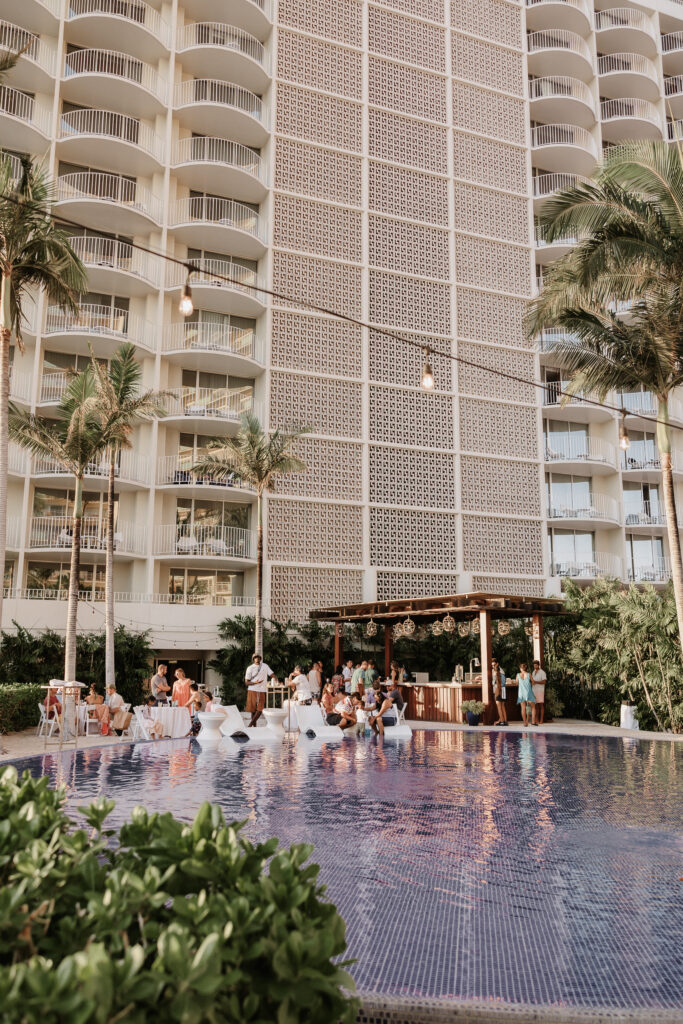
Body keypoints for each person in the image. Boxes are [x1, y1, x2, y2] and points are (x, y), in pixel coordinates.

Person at [244, 653, 275, 727]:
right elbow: (246, 682)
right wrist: (255, 682)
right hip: (252, 690)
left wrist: (275, 679)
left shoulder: (265, 666)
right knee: (253, 711)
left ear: (260, 659)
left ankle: (250, 725)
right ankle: (254, 728)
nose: (257, 659)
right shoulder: (250, 668)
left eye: (258, 657)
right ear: (253, 659)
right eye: (255, 658)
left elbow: (271, 674)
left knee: (260, 709)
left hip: (262, 690)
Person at [491, 658, 507, 727]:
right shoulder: (501, 671)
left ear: (497, 664)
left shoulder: (498, 672)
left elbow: (495, 683)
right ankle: (504, 721)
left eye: (494, 665)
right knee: (502, 706)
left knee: (499, 706)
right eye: (492, 665)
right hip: (503, 690)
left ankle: (502, 721)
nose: (493, 666)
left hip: (499, 690)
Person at [531, 660, 547, 724]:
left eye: (536, 665)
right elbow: (532, 681)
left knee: (541, 705)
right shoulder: (533, 672)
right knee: (535, 705)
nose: (535, 666)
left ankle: (541, 720)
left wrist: (536, 682)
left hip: (540, 691)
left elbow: (544, 682)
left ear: (538, 665)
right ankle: (536, 720)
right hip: (534, 690)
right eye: (534, 665)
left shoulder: (542, 672)